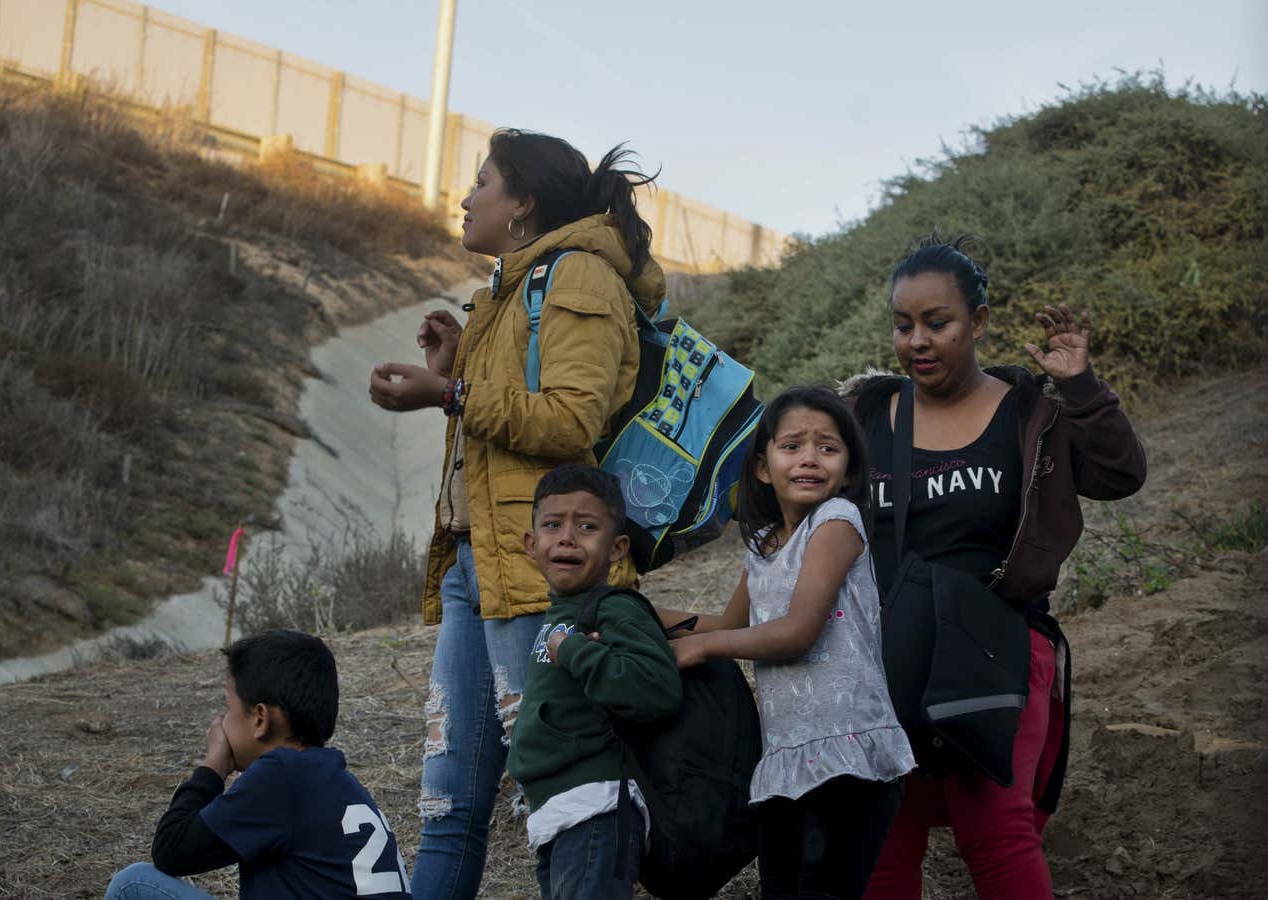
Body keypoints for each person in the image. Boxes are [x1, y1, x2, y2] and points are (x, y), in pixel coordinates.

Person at [367, 128, 663, 900]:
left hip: (544, 575)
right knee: (448, 804)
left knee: (560, 796)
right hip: (477, 564)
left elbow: (569, 420)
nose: (466, 198)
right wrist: (456, 363)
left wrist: (450, 394)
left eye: (482, 182)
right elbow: (510, 423)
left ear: (524, 201)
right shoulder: (508, 288)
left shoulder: (580, 278)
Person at [849, 233, 1147, 900]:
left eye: (937, 322)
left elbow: (1120, 475)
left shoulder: (1029, 414)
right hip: (886, 654)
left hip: (998, 644)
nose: (918, 341)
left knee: (997, 829)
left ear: (979, 321)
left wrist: (1082, 386)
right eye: (904, 325)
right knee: (880, 831)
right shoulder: (866, 415)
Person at [654, 386, 915, 900]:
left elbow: (796, 632)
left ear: (849, 467)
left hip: (846, 756)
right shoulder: (766, 545)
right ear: (761, 467)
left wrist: (704, 649)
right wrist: (642, 614)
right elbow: (725, 623)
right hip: (786, 760)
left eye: (828, 447)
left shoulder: (837, 522)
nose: (810, 459)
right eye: (792, 445)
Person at [105, 629, 411, 900]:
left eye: (229, 708)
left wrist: (213, 767)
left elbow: (171, 850)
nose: (223, 721)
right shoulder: (340, 782)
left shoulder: (281, 774)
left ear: (261, 718)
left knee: (131, 885)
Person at [505, 464, 682, 900]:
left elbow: (657, 687)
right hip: (559, 813)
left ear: (617, 547)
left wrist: (577, 652)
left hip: (596, 807)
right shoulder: (559, 613)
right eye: (552, 525)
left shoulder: (612, 609)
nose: (567, 537)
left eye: (587, 526)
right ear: (532, 543)